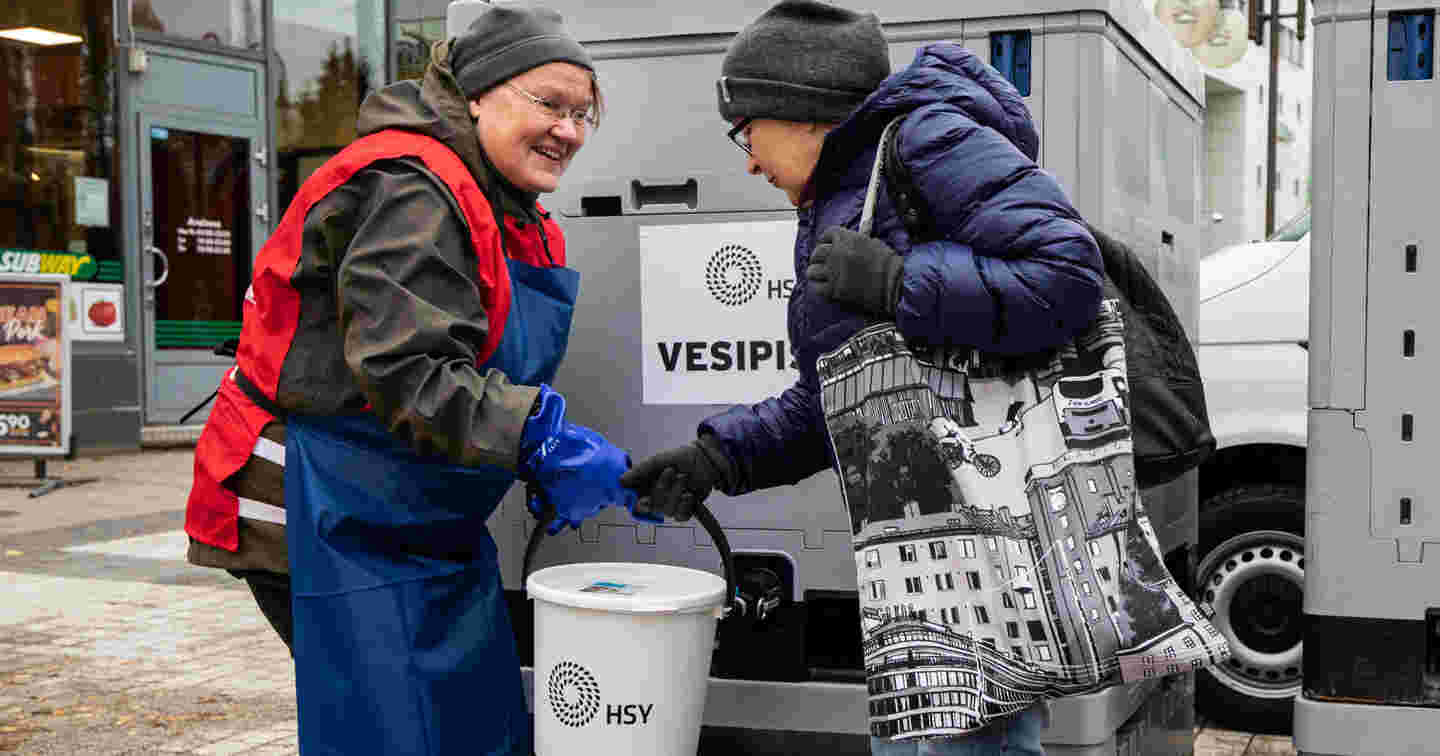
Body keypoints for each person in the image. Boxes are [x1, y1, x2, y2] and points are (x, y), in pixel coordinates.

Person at [619, 2, 1105, 754]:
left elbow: (1068, 275)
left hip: (979, 545)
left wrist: (899, 283)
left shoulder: (924, 141)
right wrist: (716, 458)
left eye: (747, 129)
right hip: (917, 554)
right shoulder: (843, 197)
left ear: (803, 109)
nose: (747, 158)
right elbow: (840, 398)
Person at [183, 4, 633, 753]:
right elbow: (407, 373)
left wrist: (526, 442)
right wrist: (536, 437)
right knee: (395, 734)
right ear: (481, 93)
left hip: (411, 516)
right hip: (318, 510)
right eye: (548, 103)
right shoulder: (412, 189)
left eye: (585, 114)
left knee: (463, 726)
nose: (570, 131)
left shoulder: (502, 202)